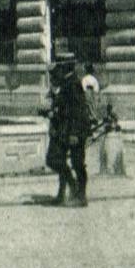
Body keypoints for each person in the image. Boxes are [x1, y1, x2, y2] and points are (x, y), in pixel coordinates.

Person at [46, 48, 94, 207]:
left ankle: (80, 195)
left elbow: (78, 111)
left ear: (65, 68)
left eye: (59, 67)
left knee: (77, 163)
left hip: (74, 130)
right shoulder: (65, 83)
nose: (56, 70)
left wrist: (74, 133)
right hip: (64, 129)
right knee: (54, 159)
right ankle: (66, 190)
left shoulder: (73, 84)